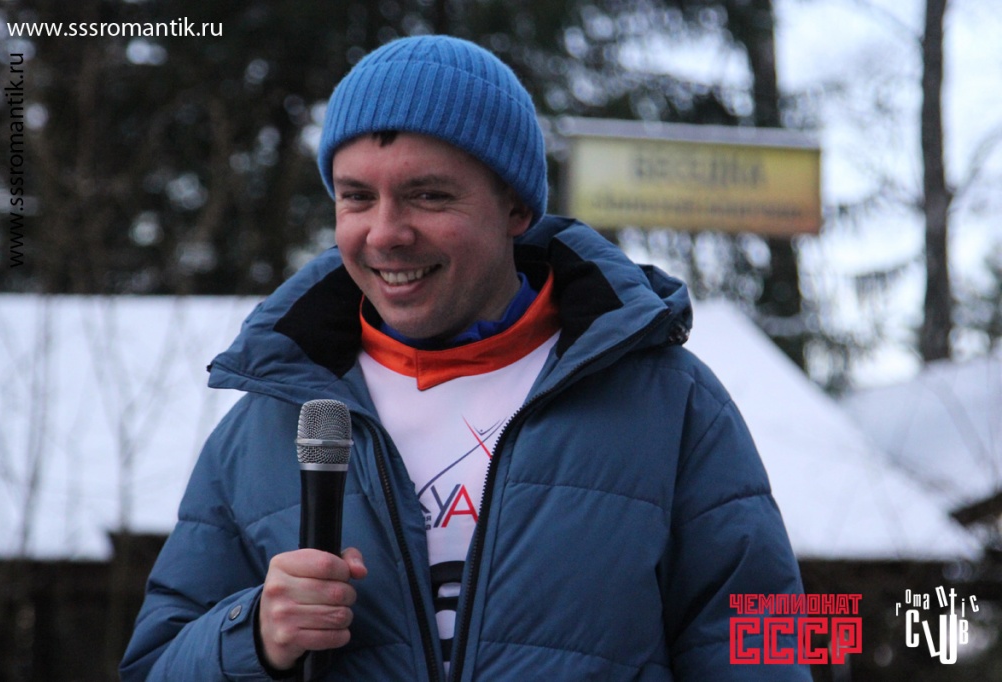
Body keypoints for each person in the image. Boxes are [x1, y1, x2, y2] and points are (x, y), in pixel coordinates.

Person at [121, 35, 811, 681]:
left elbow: (768, 643)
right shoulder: (265, 426)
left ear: (515, 208)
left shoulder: (673, 403)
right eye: (357, 198)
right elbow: (154, 664)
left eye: (428, 195)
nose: (385, 234)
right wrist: (252, 636)